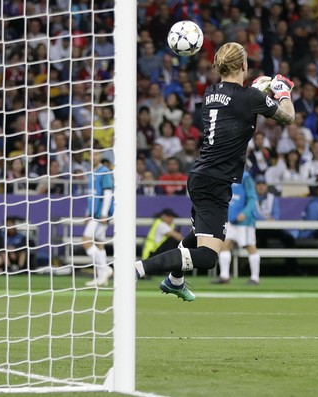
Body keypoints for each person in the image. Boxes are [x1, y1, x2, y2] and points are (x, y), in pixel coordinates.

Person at [134, 42, 295, 301]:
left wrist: (257, 89)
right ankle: (138, 268)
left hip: (203, 176)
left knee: (199, 237)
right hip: (215, 182)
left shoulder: (210, 93)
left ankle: (175, 280)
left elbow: (239, 101)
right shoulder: (249, 98)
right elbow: (288, 117)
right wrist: (283, 91)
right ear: (244, 66)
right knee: (208, 256)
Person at [212, 170, 260, 285]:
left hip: (245, 221)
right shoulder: (224, 175)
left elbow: (253, 197)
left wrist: (245, 213)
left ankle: (255, 278)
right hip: (229, 217)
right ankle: (224, 276)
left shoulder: (246, 177)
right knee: (225, 245)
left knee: (250, 247)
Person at [83, 152, 114, 287]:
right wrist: (87, 212)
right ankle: (101, 277)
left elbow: (108, 193)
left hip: (99, 214)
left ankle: (105, 269)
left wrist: (104, 213)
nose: (93, 157)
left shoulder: (105, 171)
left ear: (100, 156)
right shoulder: (91, 172)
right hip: (93, 213)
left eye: (96, 154)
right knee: (99, 243)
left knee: (86, 241)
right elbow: (92, 195)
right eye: (91, 155)